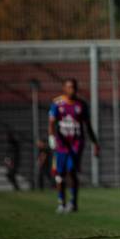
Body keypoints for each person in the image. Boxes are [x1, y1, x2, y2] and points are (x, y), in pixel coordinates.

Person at [48, 78, 100, 213]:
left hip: (76, 143)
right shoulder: (57, 104)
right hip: (61, 144)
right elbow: (51, 123)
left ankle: (73, 202)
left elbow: (88, 126)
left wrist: (95, 143)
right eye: (70, 87)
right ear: (64, 88)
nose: (73, 90)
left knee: (71, 170)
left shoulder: (81, 105)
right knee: (60, 174)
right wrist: (51, 138)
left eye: (74, 87)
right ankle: (61, 202)